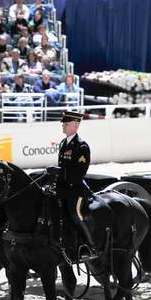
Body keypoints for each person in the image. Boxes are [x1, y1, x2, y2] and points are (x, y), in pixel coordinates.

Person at [46, 111, 97, 259]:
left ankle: (89, 245)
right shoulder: (63, 142)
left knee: (76, 213)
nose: (63, 125)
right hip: (62, 187)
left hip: (76, 189)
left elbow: (79, 172)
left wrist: (59, 171)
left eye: (66, 124)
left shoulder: (81, 146)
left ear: (75, 126)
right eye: (63, 123)